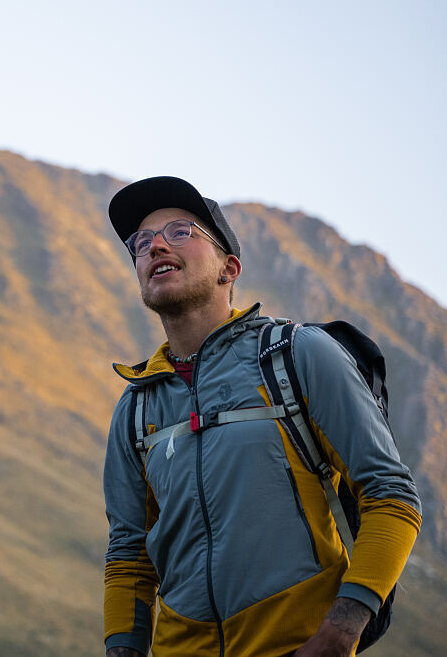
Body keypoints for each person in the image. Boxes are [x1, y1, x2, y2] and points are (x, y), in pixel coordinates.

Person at [101, 176, 420, 657]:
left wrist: (341, 631)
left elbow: (390, 494)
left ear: (229, 268)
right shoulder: (137, 405)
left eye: (181, 231)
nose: (155, 245)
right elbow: (129, 556)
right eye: (141, 243)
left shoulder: (298, 354)